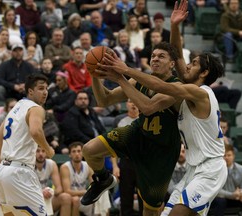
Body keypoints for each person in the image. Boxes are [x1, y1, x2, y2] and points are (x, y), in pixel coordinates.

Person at [95, 1, 227, 215]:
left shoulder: (201, 93)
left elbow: (159, 85)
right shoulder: (190, 86)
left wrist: (126, 70)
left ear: (203, 73)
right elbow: (177, 57)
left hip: (209, 168)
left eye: (193, 64)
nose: (187, 65)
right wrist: (174, 26)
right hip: (195, 169)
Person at [80, 3, 187, 216]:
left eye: (161, 57)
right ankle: (103, 179)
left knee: (150, 210)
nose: (155, 59)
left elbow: (147, 107)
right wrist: (94, 73)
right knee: (89, 150)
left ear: (172, 64)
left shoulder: (177, 86)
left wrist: (121, 76)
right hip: (138, 134)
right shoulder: (139, 79)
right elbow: (104, 100)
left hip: (162, 150)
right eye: (153, 55)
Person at [0, 74, 55, 215]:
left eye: (46, 88)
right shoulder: (36, 108)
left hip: (2, 172)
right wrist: (48, 149)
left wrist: (6, 161)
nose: (45, 92)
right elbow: (36, 131)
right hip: (19, 173)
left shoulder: (15, 108)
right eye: (40, 88)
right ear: (30, 91)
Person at [110, 99, 143, 216]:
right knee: (126, 198)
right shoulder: (119, 120)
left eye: (135, 101)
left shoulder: (146, 119)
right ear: (126, 104)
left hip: (142, 163)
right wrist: (115, 166)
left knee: (143, 199)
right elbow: (114, 146)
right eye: (130, 101)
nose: (133, 103)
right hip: (126, 162)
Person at [60, 142, 111, 216]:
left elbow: (94, 184)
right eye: (74, 151)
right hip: (71, 198)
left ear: (83, 153)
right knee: (75, 200)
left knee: (103, 193)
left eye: (79, 151)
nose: (77, 154)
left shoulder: (87, 165)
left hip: (83, 198)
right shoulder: (65, 167)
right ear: (70, 154)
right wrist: (85, 192)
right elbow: (67, 191)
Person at [210, 144, 242, 216]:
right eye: (224, 156)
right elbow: (216, 190)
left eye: (229, 155)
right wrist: (231, 195)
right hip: (221, 198)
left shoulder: (241, 169)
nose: (226, 158)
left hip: (237, 198)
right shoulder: (215, 170)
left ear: (233, 156)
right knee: (220, 201)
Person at [35, 146, 72, 215]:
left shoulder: (52, 163)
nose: (40, 154)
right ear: (33, 152)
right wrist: (41, 193)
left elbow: (59, 188)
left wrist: (51, 192)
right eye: (38, 151)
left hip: (47, 197)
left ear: (46, 153)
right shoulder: (28, 164)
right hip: (33, 196)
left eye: (43, 151)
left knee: (66, 197)